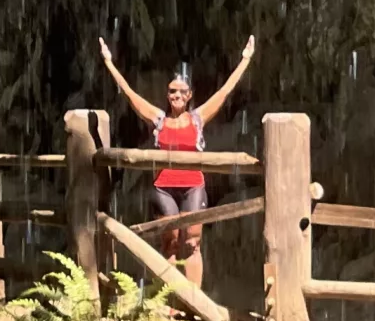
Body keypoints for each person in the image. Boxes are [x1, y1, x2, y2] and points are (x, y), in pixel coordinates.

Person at [97, 34, 258, 288]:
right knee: (169, 243)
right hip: (163, 188)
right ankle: (170, 303)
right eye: (172, 91)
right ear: (167, 94)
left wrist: (245, 59)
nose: (177, 95)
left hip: (193, 186)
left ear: (190, 94)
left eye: (182, 91)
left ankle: (194, 301)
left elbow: (225, 91)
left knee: (192, 243)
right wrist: (109, 63)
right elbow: (129, 93)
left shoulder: (197, 118)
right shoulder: (159, 119)